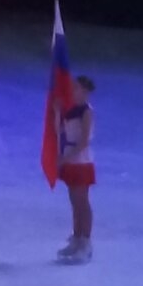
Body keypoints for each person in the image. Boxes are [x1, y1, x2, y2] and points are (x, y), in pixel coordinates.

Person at [56, 76, 96, 264]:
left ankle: (86, 242)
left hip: (81, 160)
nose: (72, 90)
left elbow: (84, 141)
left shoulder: (86, 112)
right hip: (70, 157)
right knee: (74, 200)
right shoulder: (70, 109)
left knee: (82, 201)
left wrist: (66, 158)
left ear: (85, 92)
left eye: (76, 88)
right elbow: (60, 131)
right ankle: (76, 238)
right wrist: (57, 110)